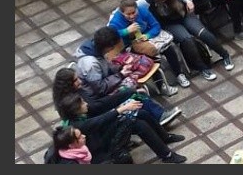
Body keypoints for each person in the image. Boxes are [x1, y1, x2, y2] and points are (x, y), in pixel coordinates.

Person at [141, 0, 234, 81]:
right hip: (169, 24)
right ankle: (202, 68)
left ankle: (225, 55)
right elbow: (135, 6)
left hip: (184, 16)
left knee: (203, 33)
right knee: (187, 40)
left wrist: (188, 1)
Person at [56, 93, 187, 164]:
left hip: (103, 133)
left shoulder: (81, 114)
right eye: (83, 103)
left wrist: (129, 93)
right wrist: (121, 110)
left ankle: (164, 137)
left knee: (141, 113)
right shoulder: (77, 125)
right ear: (76, 109)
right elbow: (100, 121)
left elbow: (104, 104)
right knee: (138, 124)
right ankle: (167, 155)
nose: (86, 104)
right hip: (102, 148)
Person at [52, 67, 180, 129]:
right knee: (134, 98)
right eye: (75, 80)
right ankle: (160, 117)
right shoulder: (71, 100)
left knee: (131, 92)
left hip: (100, 109)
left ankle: (160, 118)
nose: (79, 81)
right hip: (100, 119)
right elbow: (95, 108)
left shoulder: (76, 90)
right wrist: (120, 99)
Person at [107, 0, 192, 89]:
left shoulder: (142, 10)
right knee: (149, 58)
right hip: (130, 46)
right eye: (128, 14)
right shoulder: (116, 20)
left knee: (169, 48)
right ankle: (161, 86)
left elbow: (156, 25)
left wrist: (147, 35)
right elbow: (111, 34)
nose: (132, 16)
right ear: (122, 13)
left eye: (134, 12)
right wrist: (126, 31)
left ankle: (179, 74)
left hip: (146, 38)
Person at [75, 26, 179, 98]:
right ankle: (156, 114)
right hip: (98, 95)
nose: (112, 50)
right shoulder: (90, 64)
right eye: (112, 47)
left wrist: (120, 68)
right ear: (108, 46)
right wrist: (120, 75)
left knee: (133, 78)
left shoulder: (96, 48)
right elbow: (100, 88)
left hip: (107, 82)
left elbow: (107, 66)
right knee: (132, 88)